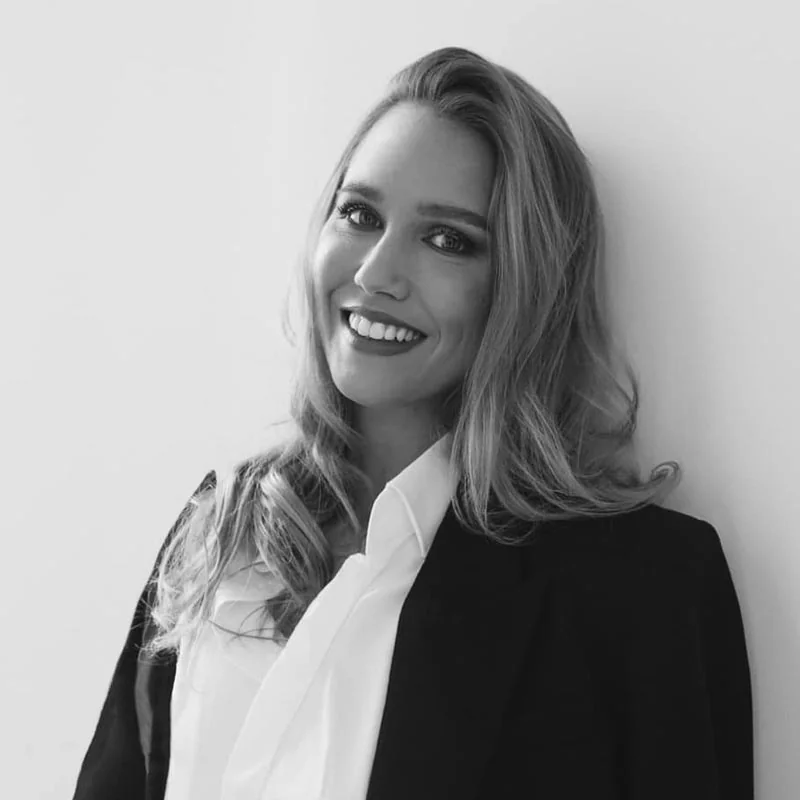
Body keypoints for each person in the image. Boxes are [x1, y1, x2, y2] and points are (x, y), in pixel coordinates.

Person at [72, 45, 753, 800]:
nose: (374, 274)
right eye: (359, 214)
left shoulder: (643, 590)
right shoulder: (222, 527)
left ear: (523, 285)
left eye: (447, 240)